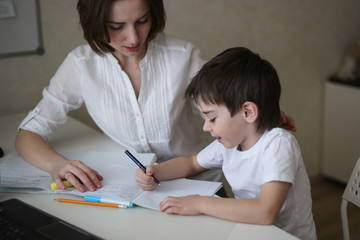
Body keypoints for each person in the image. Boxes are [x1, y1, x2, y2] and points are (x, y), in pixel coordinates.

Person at [15, 0, 296, 194]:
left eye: (142, 20)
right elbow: (28, 133)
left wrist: (261, 121)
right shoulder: (81, 65)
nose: (133, 37)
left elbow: (227, 112)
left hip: (196, 181)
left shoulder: (183, 56)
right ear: (94, 23)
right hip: (135, 187)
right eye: (116, 26)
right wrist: (57, 164)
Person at [135, 47, 316, 240]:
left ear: (248, 112)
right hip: (249, 231)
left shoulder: (278, 145)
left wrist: (198, 204)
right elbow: (192, 163)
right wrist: (155, 171)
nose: (206, 127)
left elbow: (265, 211)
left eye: (212, 118)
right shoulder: (229, 144)